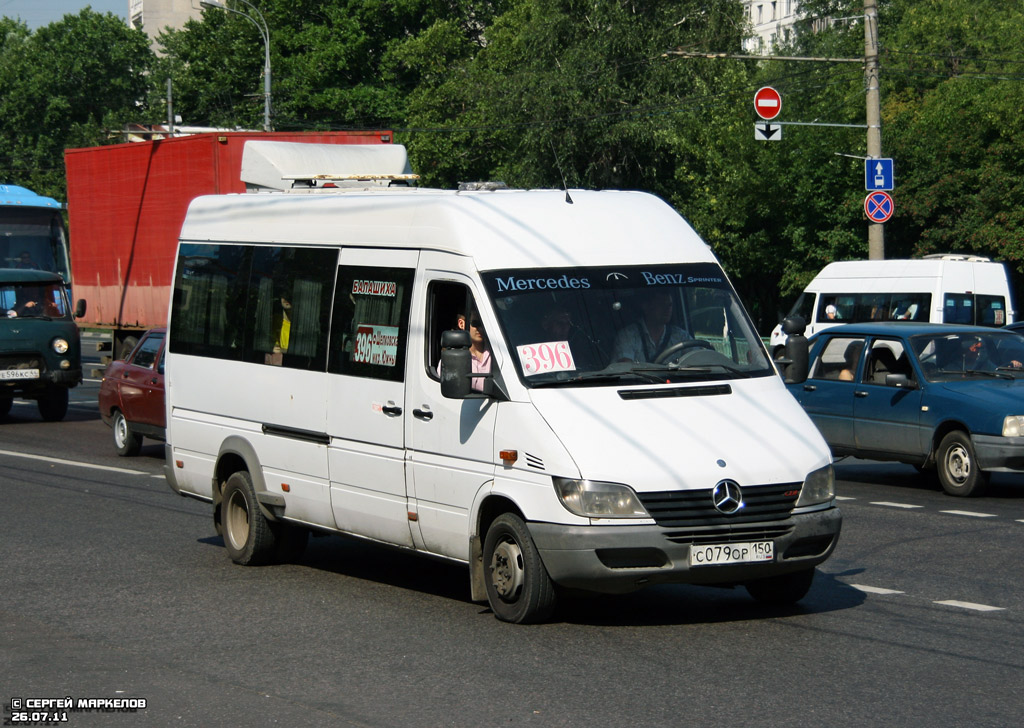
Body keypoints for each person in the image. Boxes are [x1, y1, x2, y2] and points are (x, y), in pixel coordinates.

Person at [612, 290, 690, 363]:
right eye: (661, 304)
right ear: (646, 307)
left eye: (669, 305)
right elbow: (626, 371)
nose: (667, 309)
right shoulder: (628, 336)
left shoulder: (681, 337)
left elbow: (697, 358)